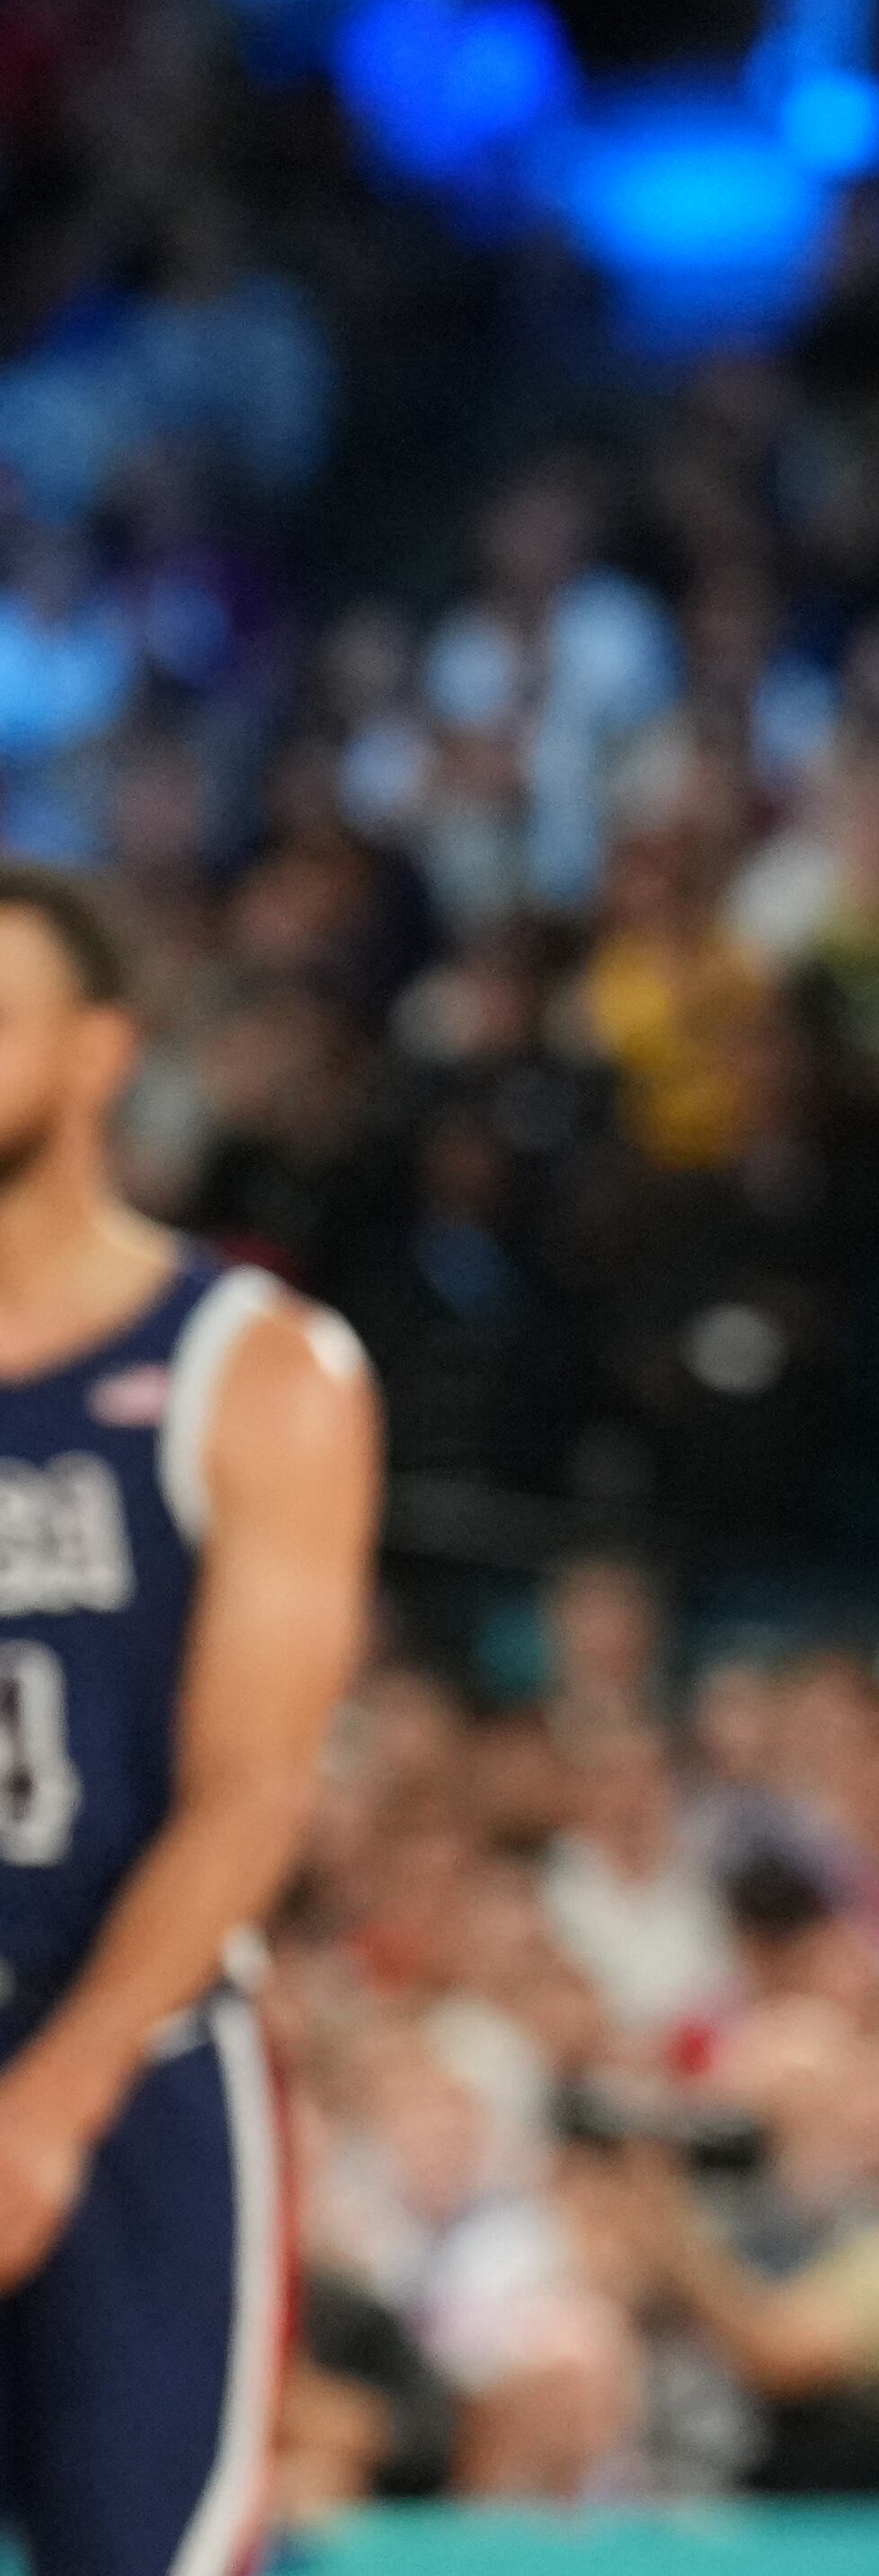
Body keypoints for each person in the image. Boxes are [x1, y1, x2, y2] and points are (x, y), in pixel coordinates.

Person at [0, 860, 386, 2575]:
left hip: (129, 2069)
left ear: (103, 1054)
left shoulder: (255, 1367)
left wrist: (48, 2102)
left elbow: (251, 1797)